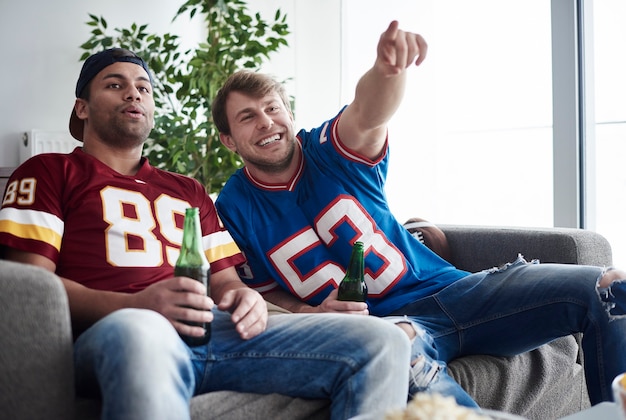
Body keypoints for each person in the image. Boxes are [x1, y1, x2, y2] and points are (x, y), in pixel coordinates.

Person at [213, 20, 626, 408]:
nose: (266, 122)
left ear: (288, 111)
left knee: (612, 287)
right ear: (228, 140)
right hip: (390, 327)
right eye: (248, 117)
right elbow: (263, 292)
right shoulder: (232, 207)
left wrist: (388, 70)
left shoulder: (327, 150)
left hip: (458, 293)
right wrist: (312, 314)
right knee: (399, 353)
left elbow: (367, 113)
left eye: (272, 108)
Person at [0, 48, 412, 420]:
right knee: (140, 331)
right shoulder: (48, 173)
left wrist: (246, 297)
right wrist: (138, 304)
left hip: (212, 331)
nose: (133, 94)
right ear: (82, 108)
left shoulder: (188, 190)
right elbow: (32, 289)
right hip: (119, 332)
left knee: (380, 341)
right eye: (115, 85)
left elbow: (226, 283)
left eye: (143, 87)